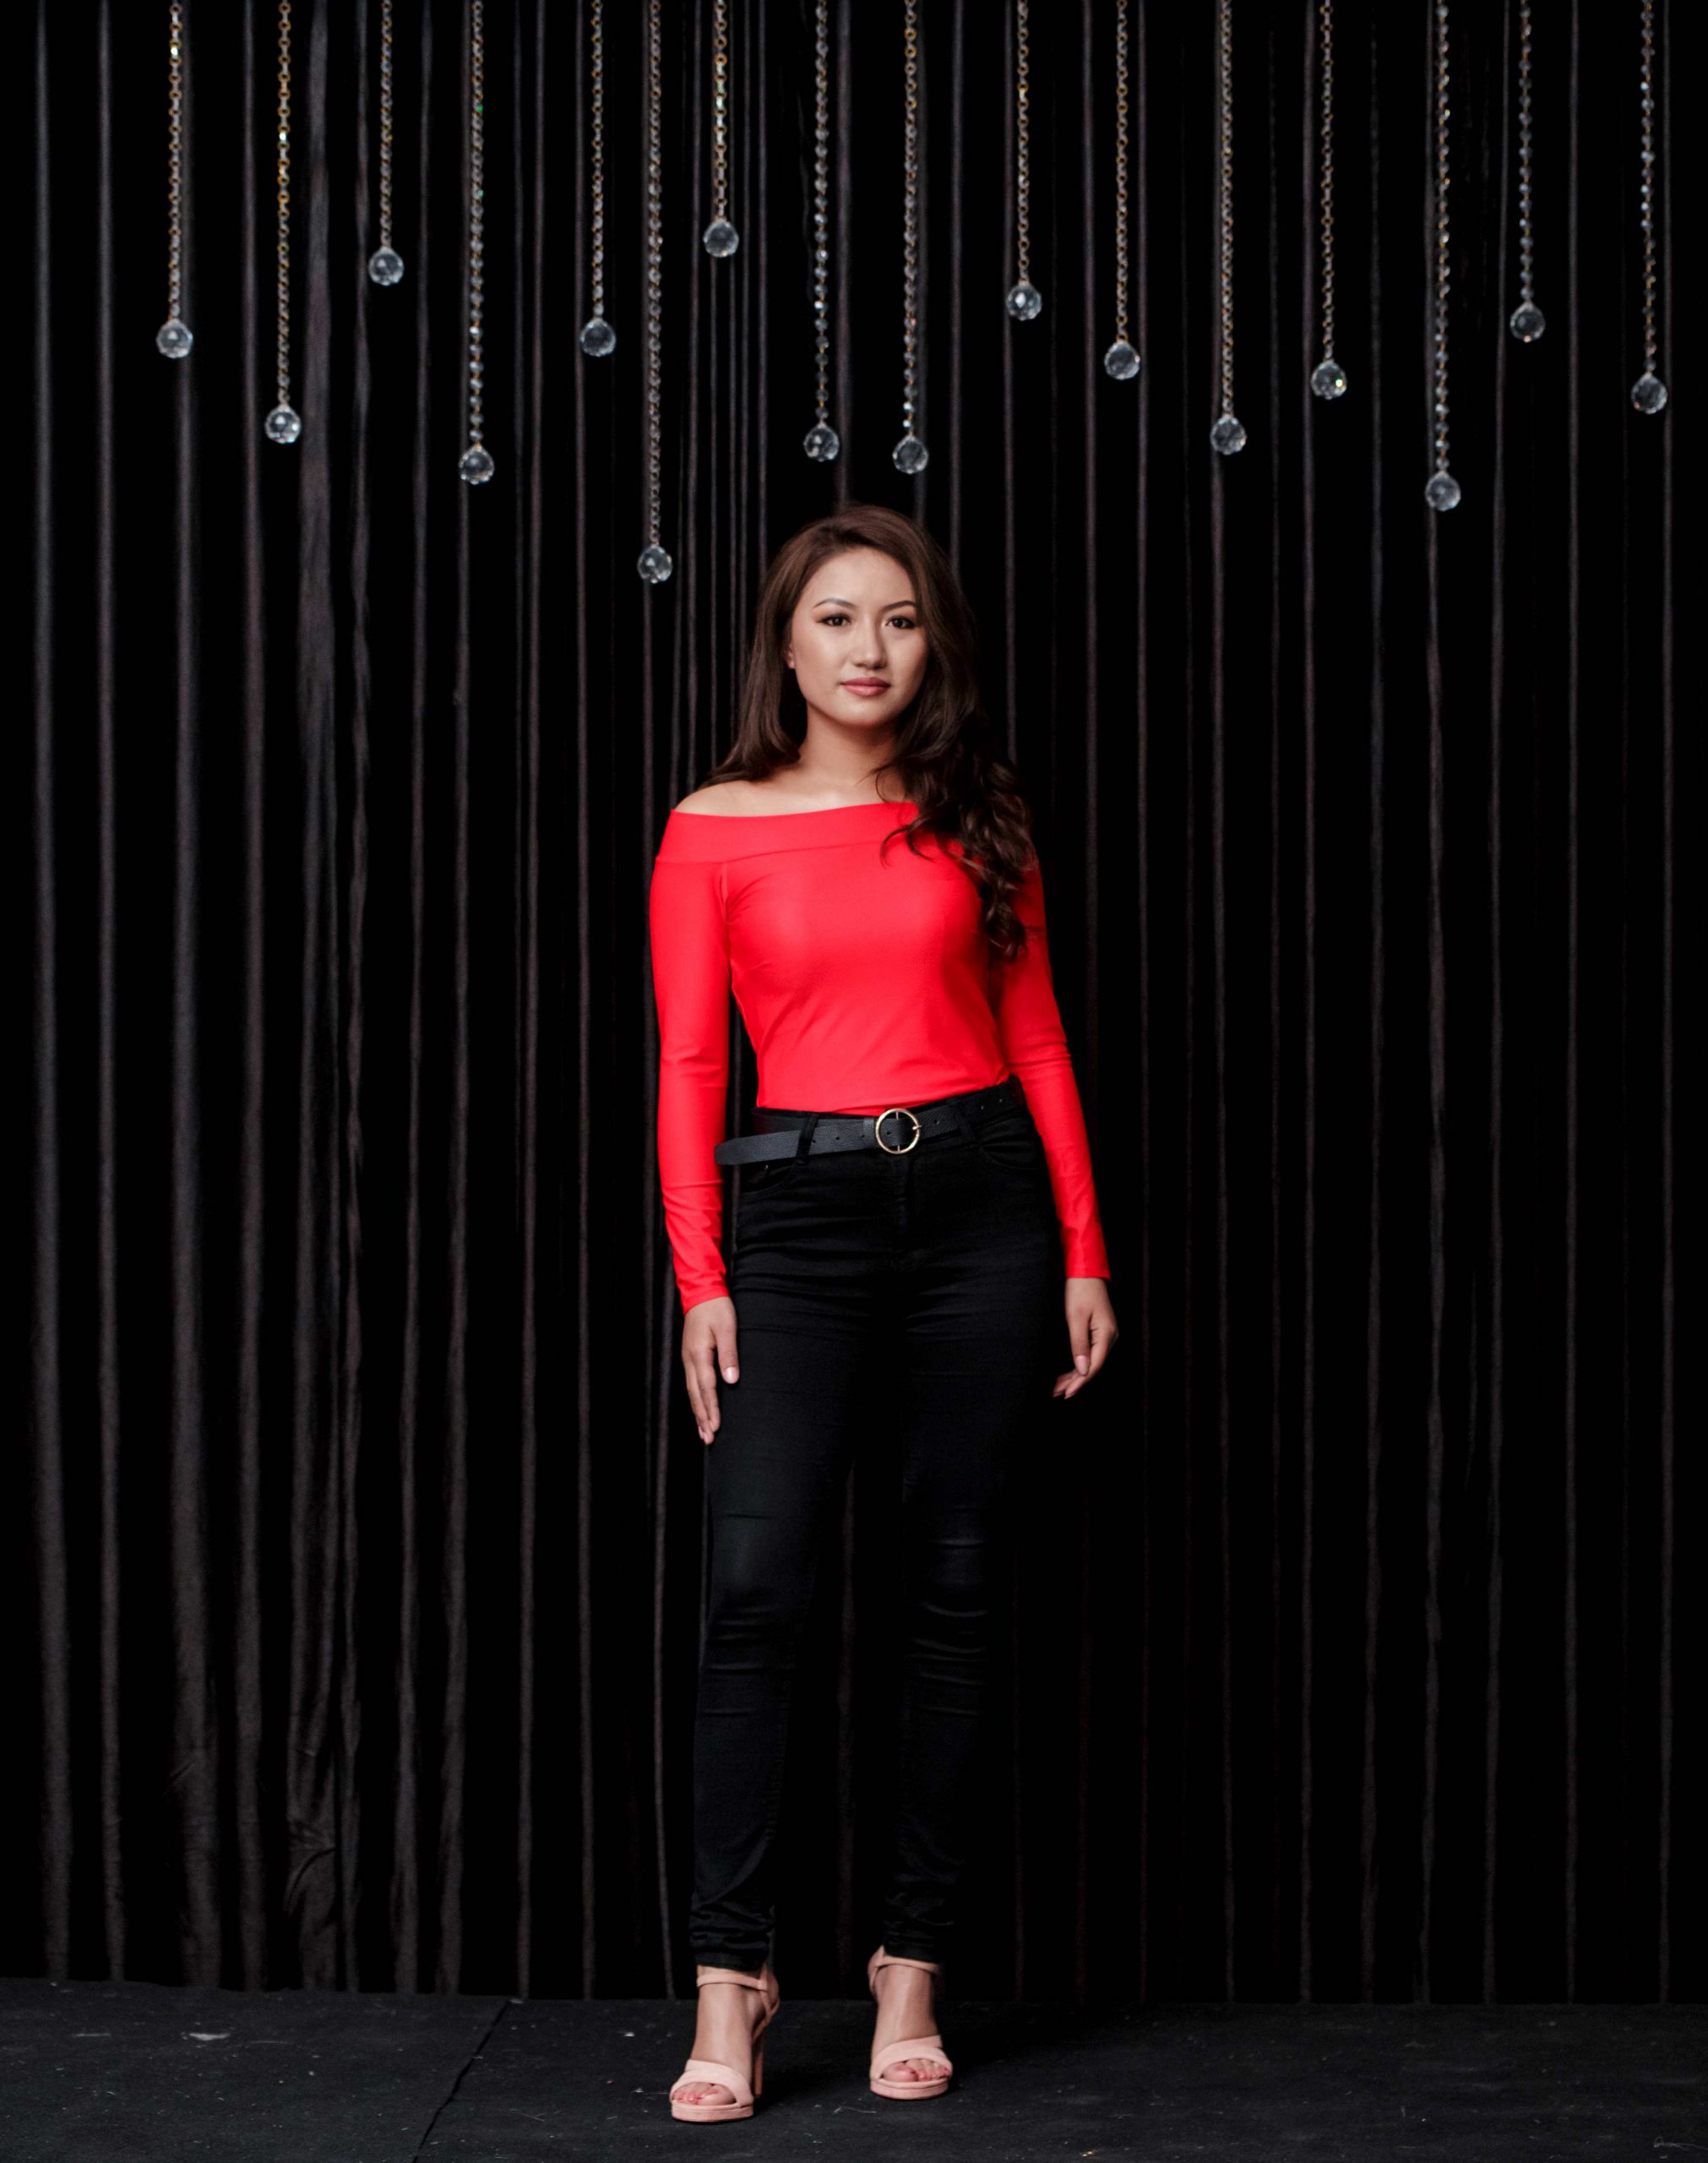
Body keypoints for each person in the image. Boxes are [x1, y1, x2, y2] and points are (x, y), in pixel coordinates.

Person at [650, 504, 1118, 2122]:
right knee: (755, 1589)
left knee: (958, 1592)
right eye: (838, 618)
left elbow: (1038, 1035)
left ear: (933, 647)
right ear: (786, 648)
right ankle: (732, 1979)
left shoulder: (976, 814)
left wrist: (1083, 1250)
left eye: (900, 619)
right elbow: (691, 1064)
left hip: (983, 1208)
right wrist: (702, 1276)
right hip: (797, 1220)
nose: (870, 648)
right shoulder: (712, 827)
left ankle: (912, 1964)